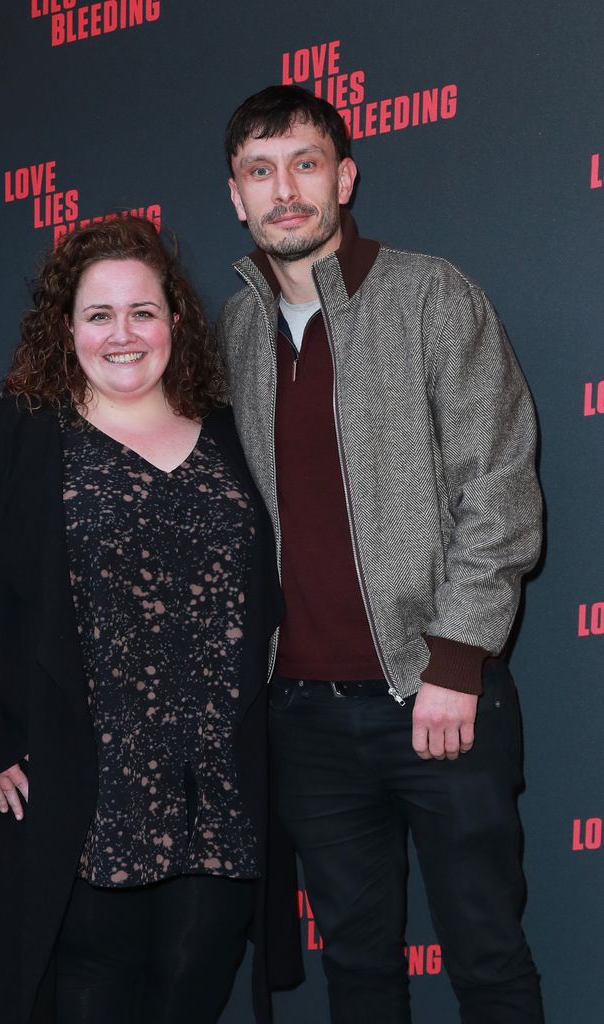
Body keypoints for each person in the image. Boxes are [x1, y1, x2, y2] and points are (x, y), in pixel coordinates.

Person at [0, 217, 301, 1024]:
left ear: (176, 324)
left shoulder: (231, 435)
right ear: (66, 328)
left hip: (215, 794)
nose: (123, 334)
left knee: (192, 993)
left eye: (143, 312)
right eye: (98, 315)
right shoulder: (17, 435)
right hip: (85, 794)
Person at [217, 84, 545, 1024]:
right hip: (304, 722)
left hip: (436, 695)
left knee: (487, 959)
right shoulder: (230, 331)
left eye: (305, 165)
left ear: (343, 177)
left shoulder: (429, 295)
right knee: (356, 973)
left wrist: (454, 661)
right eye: (260, 171)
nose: (285, 190)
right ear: (234, 196)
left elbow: (498, 486)